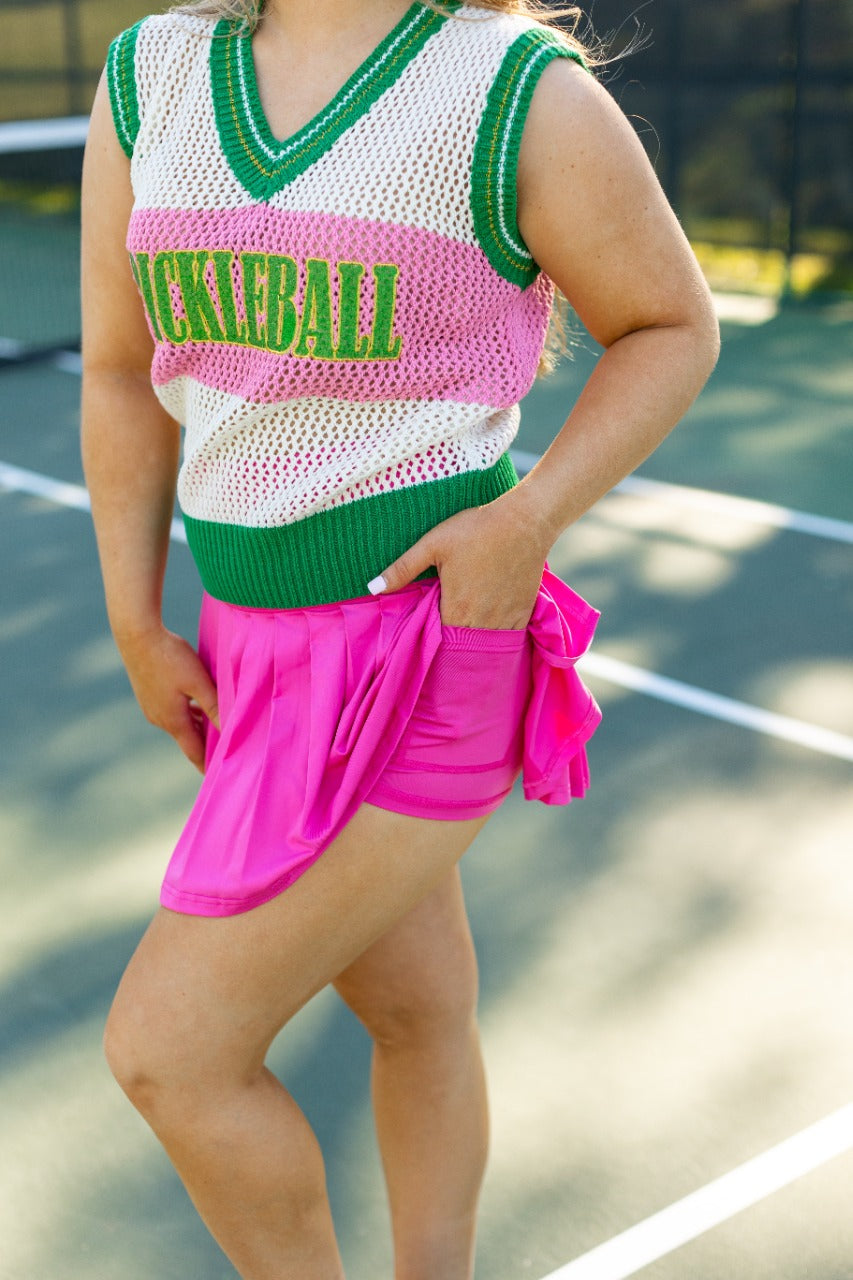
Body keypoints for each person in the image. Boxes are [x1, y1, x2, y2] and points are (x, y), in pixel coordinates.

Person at [80, 0, 719, 1275]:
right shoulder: (151, 74)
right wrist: (135, 617)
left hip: (427, 645)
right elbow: (116, 368)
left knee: (173, 1052)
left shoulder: (515, 91)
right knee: (420, 1011)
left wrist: (526, 517)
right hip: (244, 655)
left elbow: (670, 324)